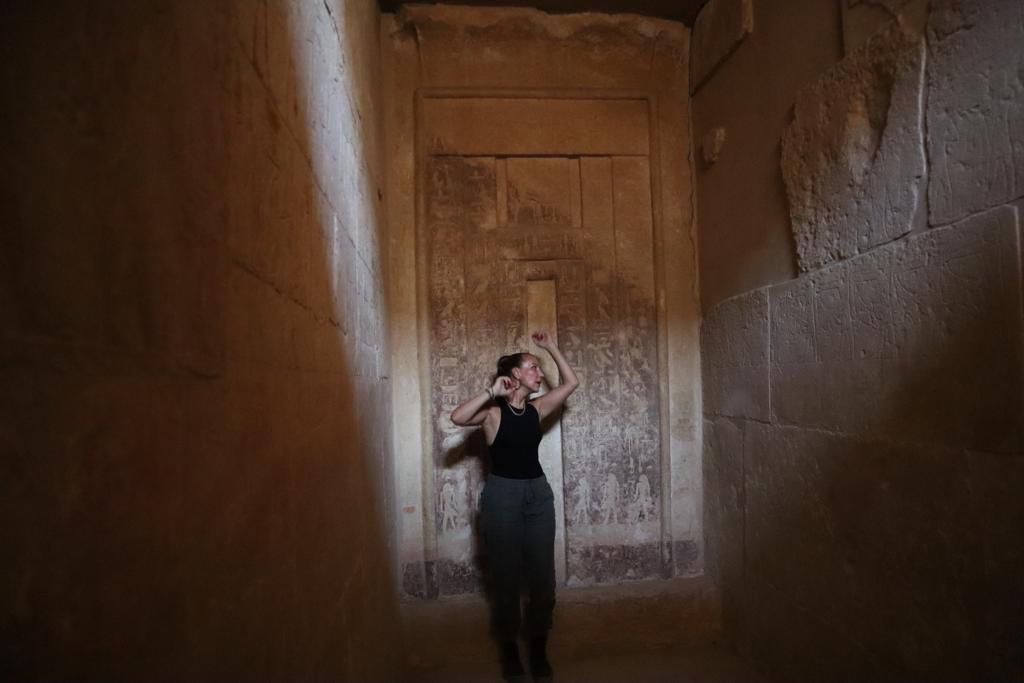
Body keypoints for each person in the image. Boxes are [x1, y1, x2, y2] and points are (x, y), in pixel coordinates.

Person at [450, 331, 580, 683]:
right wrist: (491, 391)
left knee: (542, 579)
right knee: (506, 579)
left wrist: (550, 347)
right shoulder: (493, 414)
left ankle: (537, 648)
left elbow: (571, 383)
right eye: (533, 367)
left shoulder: (537, 409)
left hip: (538, 495)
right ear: (516, 375)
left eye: (538, 367)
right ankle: (509, 650)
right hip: (502, 497)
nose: (539, 373)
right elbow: (458, 417)